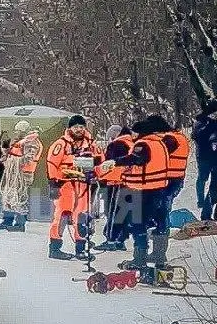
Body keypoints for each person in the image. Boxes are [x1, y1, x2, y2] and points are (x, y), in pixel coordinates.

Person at [98, 114, 179, 284]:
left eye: (135, 133)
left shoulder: (143, 144)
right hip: (160, 189)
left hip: (144, 191)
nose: (132, 136)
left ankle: (140, 259)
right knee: (160, 223)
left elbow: (136, 159)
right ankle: (159, 256)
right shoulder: (161, 144)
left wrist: (114, 162)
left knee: (138, 224)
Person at [45, 115, 100, 261]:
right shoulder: (61, 144)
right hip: (65, 184)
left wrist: (96, 175)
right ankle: (55, 247)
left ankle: (80, 248)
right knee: (62, 215)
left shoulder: (91, 144)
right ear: (70, 128)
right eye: (76, 127)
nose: (79, 130)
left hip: (84, 185)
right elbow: (52, 163)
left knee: (82, 217)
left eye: (81, 127)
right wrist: (53, 183)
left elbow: (100, 161)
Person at [94, 124, 134, 251]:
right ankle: (120, 241)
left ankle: (111, 240)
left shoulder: (116, 145)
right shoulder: (131, 143)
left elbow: (109, 166)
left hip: (115, 183)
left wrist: (98, 175)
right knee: (124, 213)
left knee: (112, 212)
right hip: (130, 183)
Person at [0, 120, 41, 231]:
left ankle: (20, 223)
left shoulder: (32, 142)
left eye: (18, 131)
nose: (16, 132)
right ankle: (7, 220)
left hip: (23, 174)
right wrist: (5, 153)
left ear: (23, 131)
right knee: (9, 196)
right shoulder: (19, 141)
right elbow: (11, 154)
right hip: (13, 173)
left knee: (21, 197)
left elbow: (29, 158)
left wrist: (13, 161)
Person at [195, 100, 217, 221]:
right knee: (212, 185)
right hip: (211, 157)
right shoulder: (209, 124)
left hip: (203, 157)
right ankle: (206, 210)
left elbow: (195, 137)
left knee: (203, 180)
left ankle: (202, 204)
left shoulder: (200, 123)